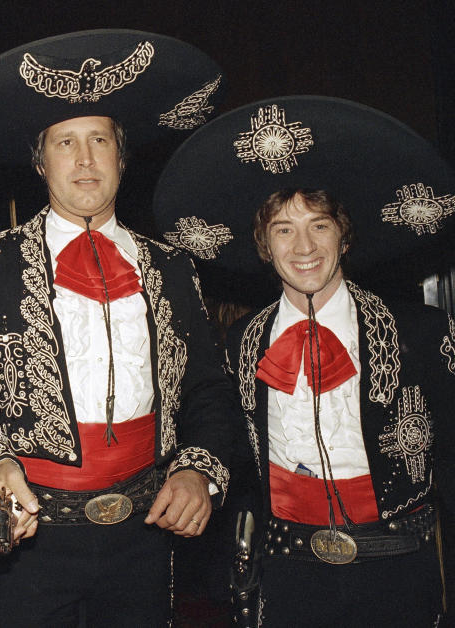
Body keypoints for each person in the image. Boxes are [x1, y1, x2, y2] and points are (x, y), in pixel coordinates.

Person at [0, 30, 238, 626]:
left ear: (123, 158)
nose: (86, 159)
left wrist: (199, 467)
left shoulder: (173, 267)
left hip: (145, 535)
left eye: (100, 140)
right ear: (41, 162)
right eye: (66, 142)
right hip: (27, 537)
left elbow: (209, 389)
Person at [152, 95, 455, 626]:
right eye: (283, 229)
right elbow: (223, 431)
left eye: (319, 224)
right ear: (264, 246)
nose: (303, 245)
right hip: (289, 572)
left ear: (344, 233)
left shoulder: (422, 331)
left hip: (401, 572)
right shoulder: (240, 341)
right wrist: (198, 474)